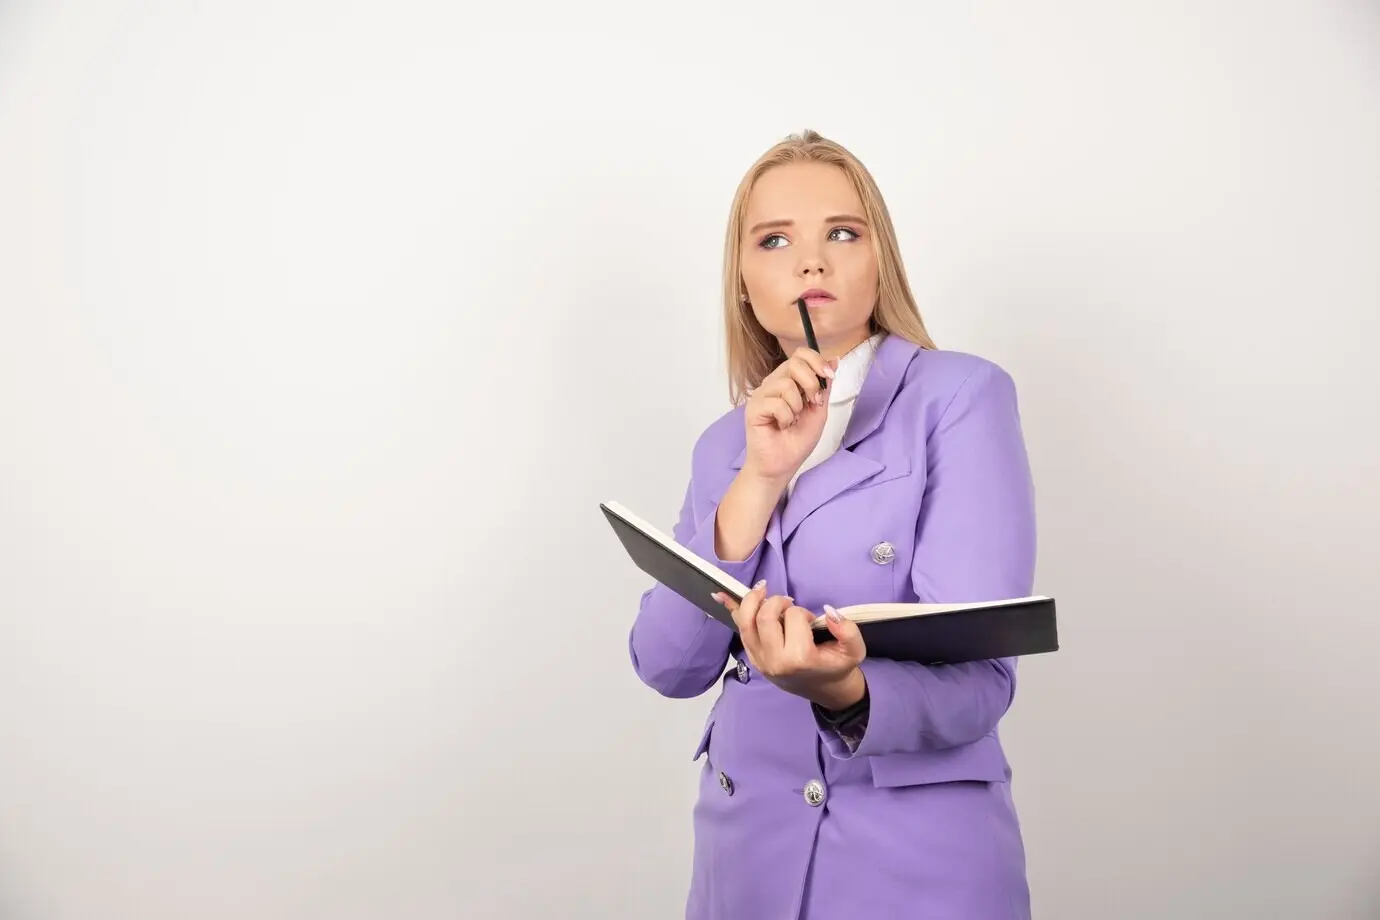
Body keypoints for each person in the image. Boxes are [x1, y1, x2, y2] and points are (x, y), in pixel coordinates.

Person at [626, 129, 1039, 920]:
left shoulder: (959, 399)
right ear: (743, 283)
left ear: (878, 261)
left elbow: (983, 682)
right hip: (743, 865)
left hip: (915, 870)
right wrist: (760, 477)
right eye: (774, 240)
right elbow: (667, 665)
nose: (810, 262)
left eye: (841, 234)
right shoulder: (726, 444)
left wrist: (843, 688)